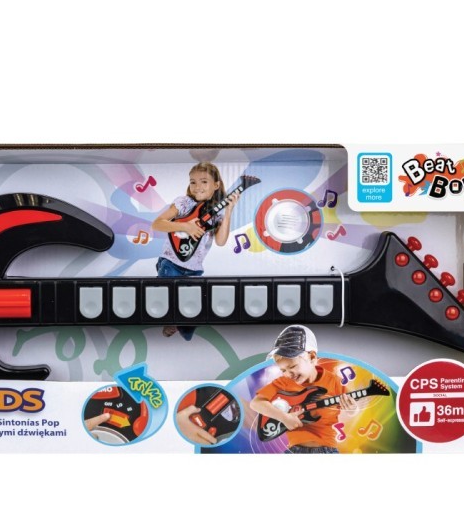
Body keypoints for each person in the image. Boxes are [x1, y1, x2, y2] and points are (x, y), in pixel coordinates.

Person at [151, 163, 241, 340]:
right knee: (169, 300)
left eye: (204, 181)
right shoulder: (184, 203)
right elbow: (157, 224)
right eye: (193, 182)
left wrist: (229, 210)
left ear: (216, 185)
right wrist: (185, 226)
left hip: (194, 269)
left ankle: (181, 328)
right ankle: (171, 319)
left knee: (192, 315)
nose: (197, 186)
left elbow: (221, 241)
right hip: (171, 263)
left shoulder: (216, 213)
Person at [249, 324, 356, 453]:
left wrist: (352, 408)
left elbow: (351, 410)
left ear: (312, 357)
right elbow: (256, 403)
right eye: (283, 370)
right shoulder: (283, 382)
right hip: (294, 450)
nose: (288, 374)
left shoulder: (334, 381)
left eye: (292, 366)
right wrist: (284, 417)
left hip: (327, 450)